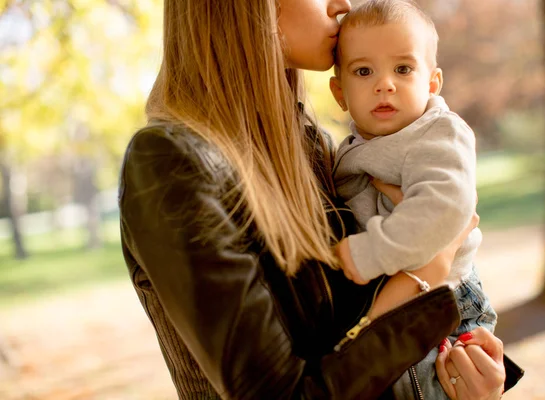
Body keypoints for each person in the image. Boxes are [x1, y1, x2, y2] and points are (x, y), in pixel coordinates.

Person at [118, 0, 511, 398]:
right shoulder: (173, 163)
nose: (342, 5)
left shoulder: (313, 145)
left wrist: (471, 379)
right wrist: (424, 277)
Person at [329, 0, 498, 397]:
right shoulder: (356, 145)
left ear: (433, 83)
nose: (384, 83)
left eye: (403, 69)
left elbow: (447, 208)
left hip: (449, 300)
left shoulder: (437, 132)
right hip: (406, 291)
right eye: (364, 70)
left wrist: (373, 252)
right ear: (339, 92)